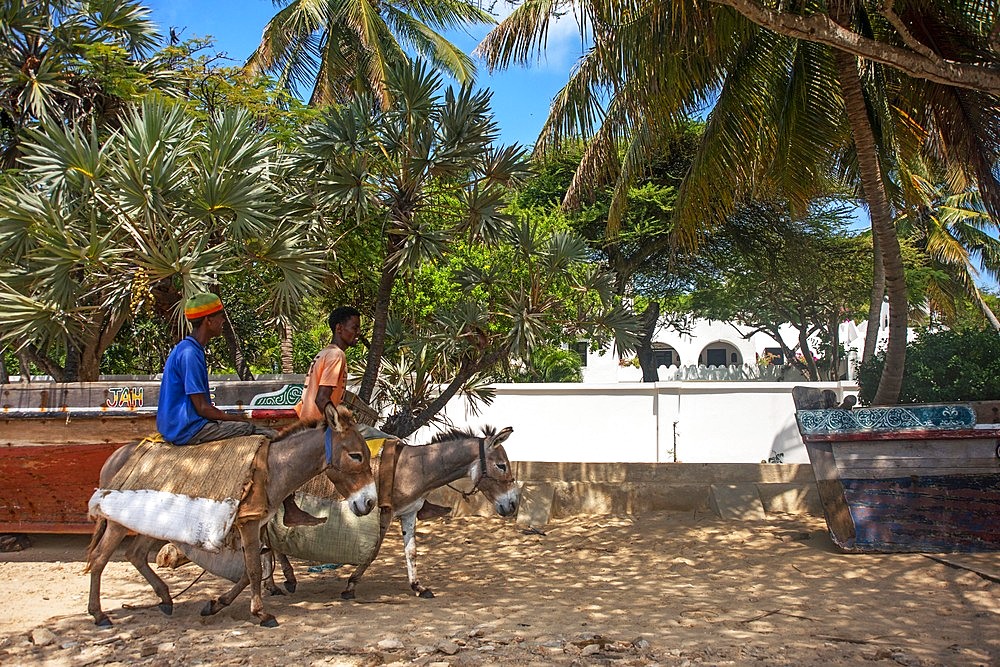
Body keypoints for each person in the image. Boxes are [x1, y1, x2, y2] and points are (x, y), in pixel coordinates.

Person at [157, 292, 322, 527]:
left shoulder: (189, 350)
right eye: (220, 316)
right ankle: (289, 508)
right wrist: (231, 417)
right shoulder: (190, 354)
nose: (223, 321)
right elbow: (202, 408)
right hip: (188, 429)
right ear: (208, 321)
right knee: (265, 435)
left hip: (186, 425)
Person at [296, 306, 450, 520]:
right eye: (354, 328)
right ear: (339, 328)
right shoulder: (336, 356)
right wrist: (340, 426)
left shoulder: (324, 353)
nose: (358, 332)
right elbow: (322, 399)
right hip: (323, 427)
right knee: (391, 443)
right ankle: (412, 504)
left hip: (310, 422)